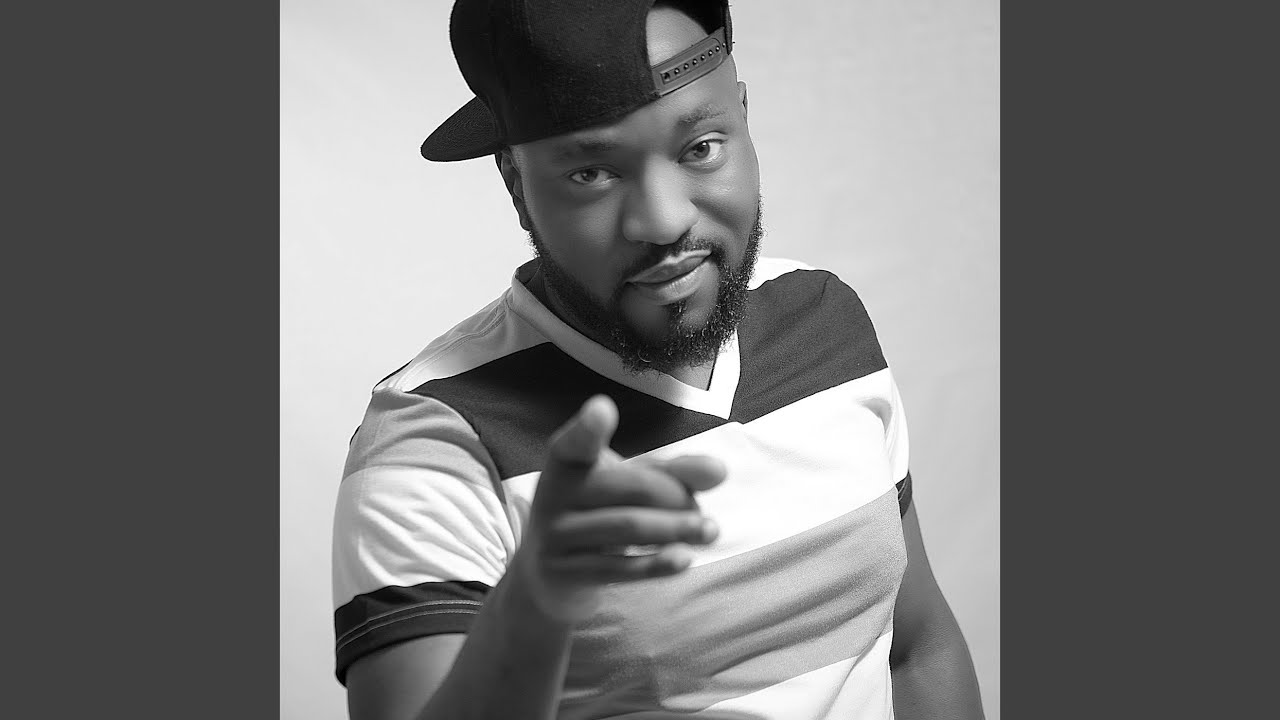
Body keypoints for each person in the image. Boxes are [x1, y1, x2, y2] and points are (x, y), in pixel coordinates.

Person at [331, 1, 986, 718]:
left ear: (743, 119)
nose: (665, 219)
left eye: (700, 147)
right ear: (516, 185)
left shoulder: (823, 319)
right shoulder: (436, 438)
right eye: (592, 173)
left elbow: (916, 647)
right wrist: (535, 609)